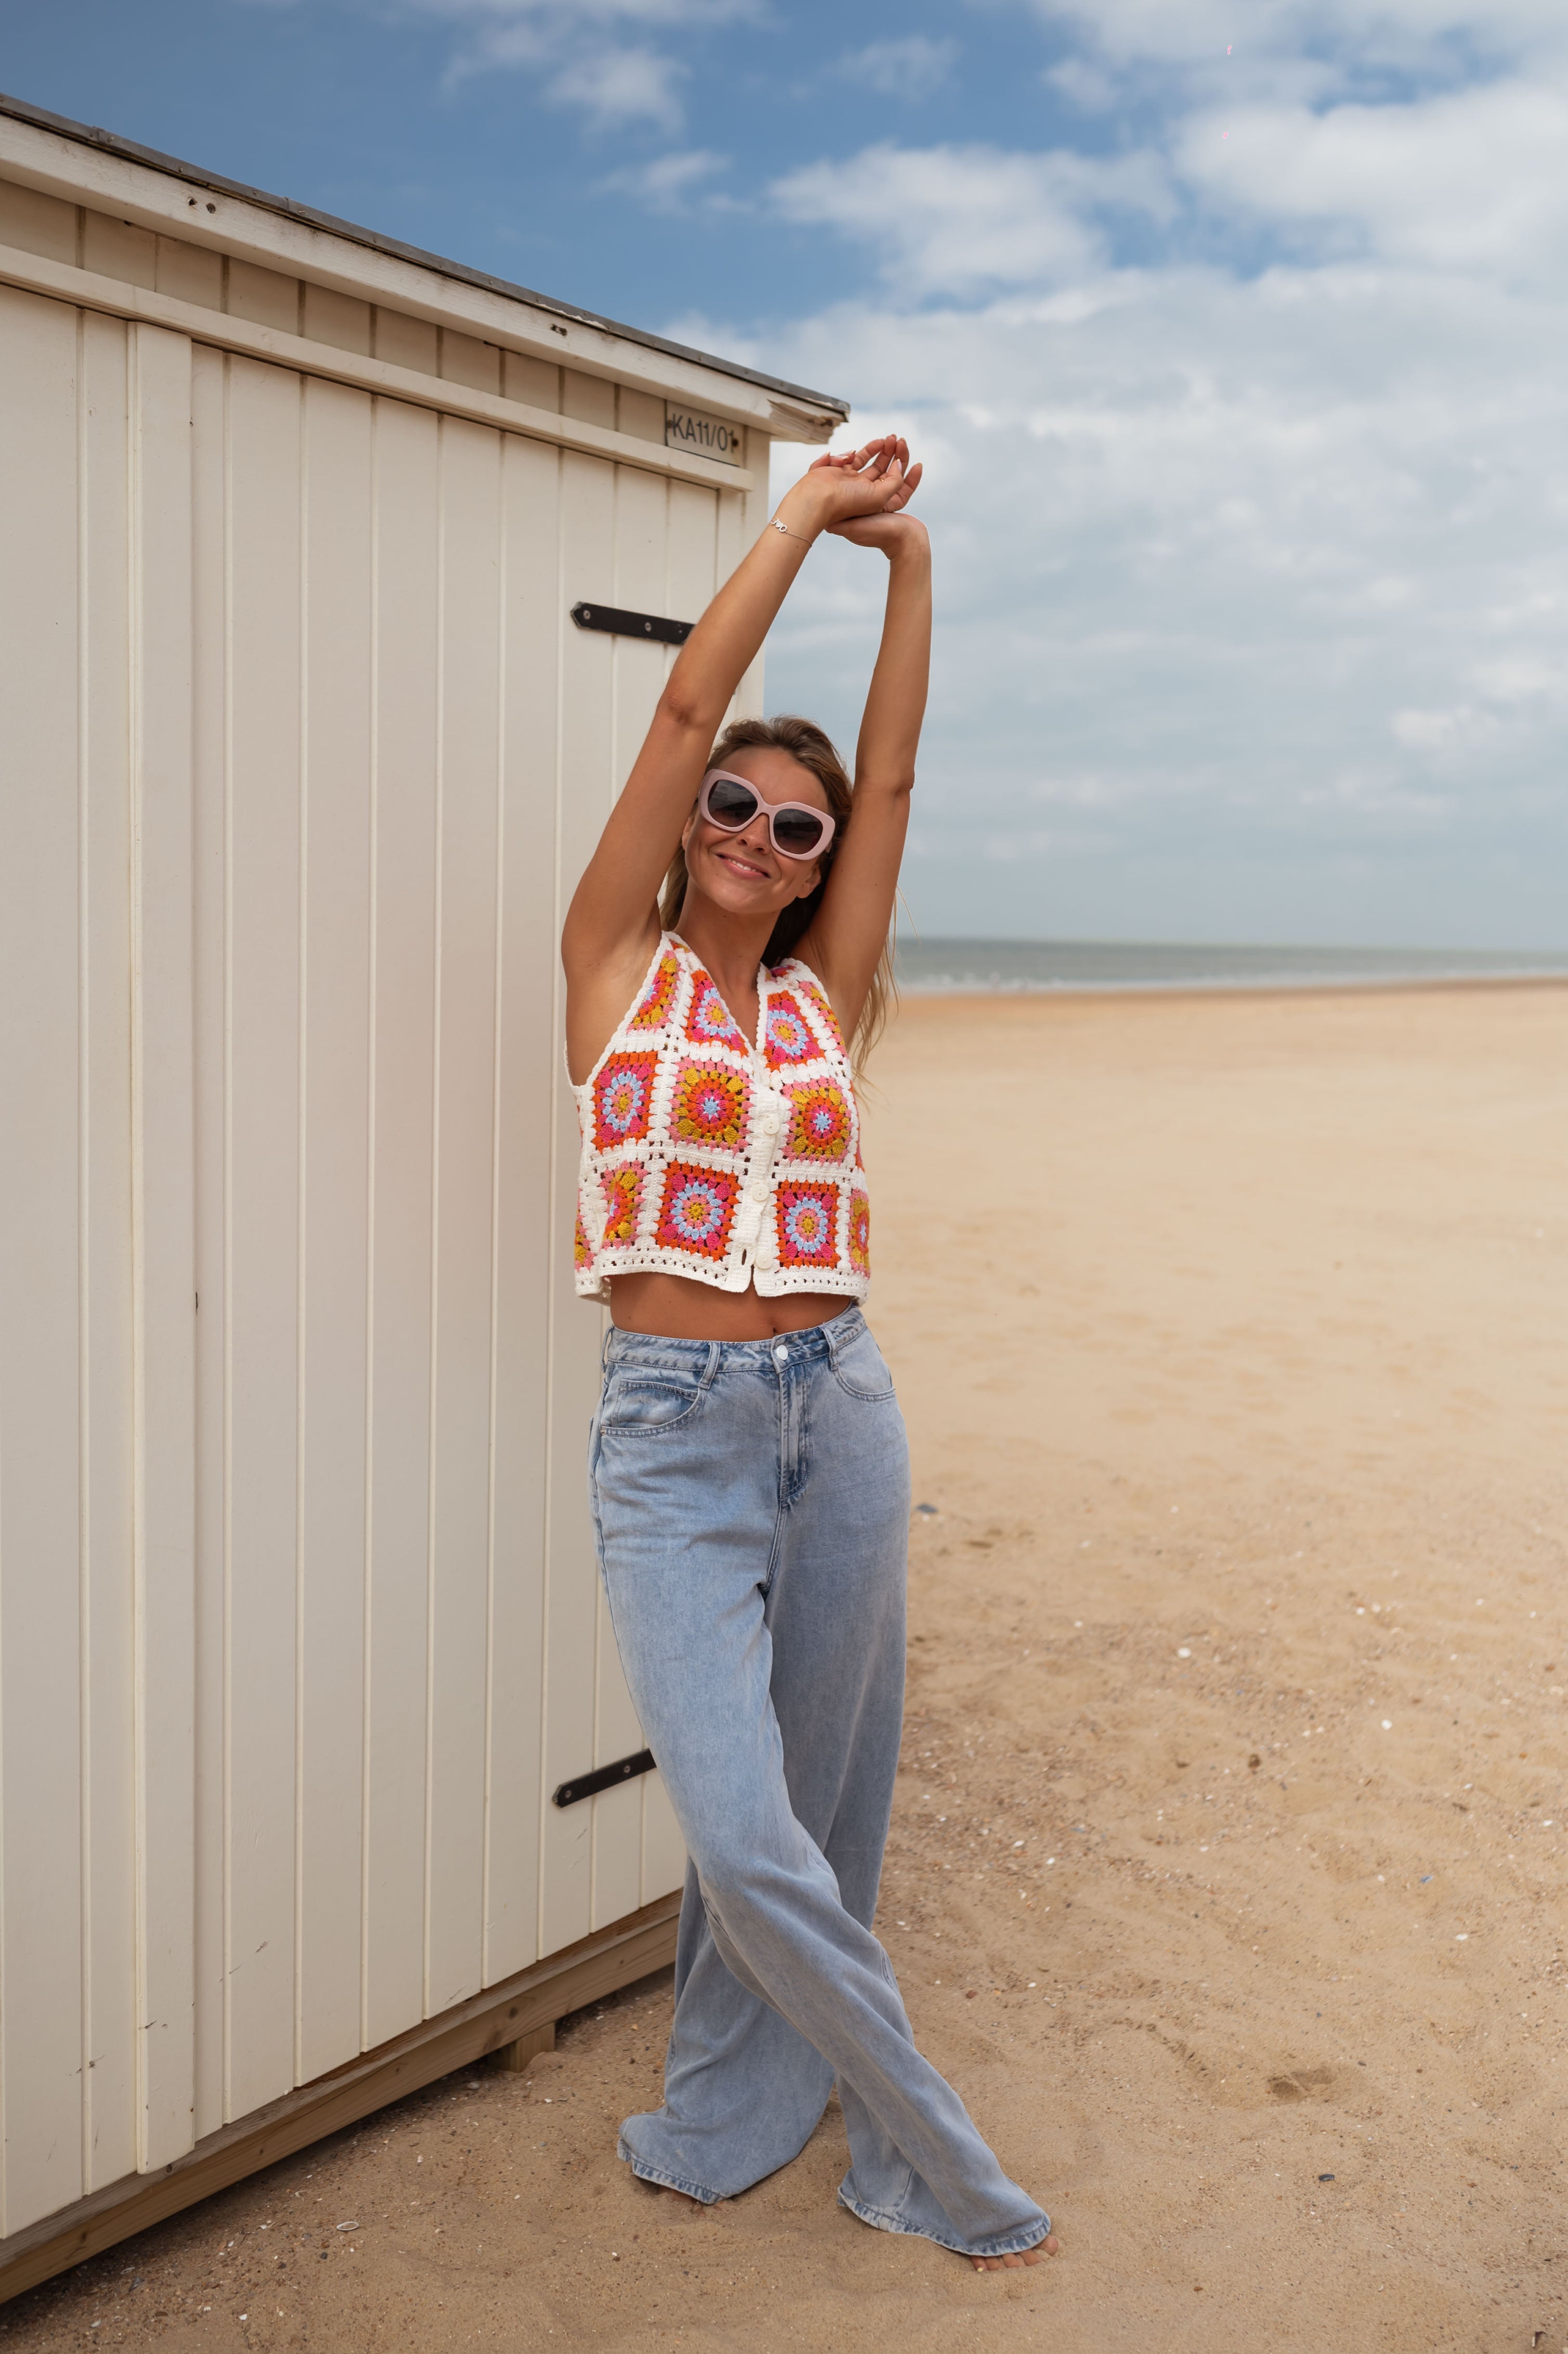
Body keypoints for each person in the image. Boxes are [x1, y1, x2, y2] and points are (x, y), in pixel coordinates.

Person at [560, 436, 1056, 2271]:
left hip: (837, 1406)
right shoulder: (616, 963)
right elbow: (691, 702)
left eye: (801, 827)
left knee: (828, 1817)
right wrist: (805, 526)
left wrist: (913, 563)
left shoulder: (820, 1001)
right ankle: (940, 2158)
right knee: (745, 1827)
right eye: (738, 810)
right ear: (696, 823)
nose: (762, 836)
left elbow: (901, 770)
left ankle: (732, 2109)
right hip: (672, 1435)